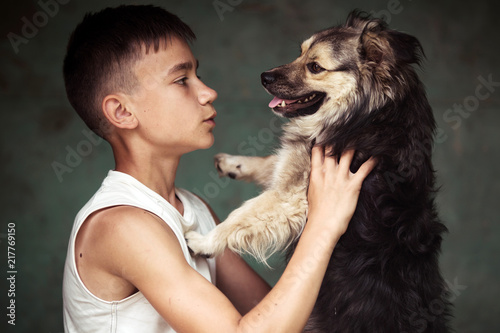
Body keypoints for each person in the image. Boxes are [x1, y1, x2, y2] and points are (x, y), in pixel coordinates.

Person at [61, 5, 376, 333]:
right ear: (122, 112)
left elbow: (279, 319)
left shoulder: (194, 209)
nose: (208, 92)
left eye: (198, 74)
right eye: (182, 80)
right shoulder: (121, 226)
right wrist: (324, 224)